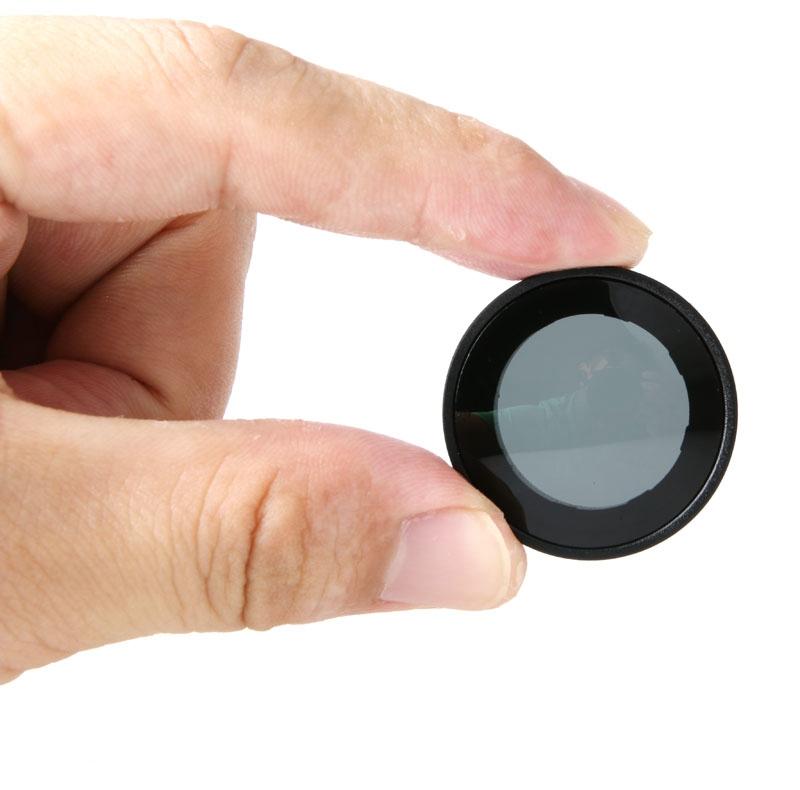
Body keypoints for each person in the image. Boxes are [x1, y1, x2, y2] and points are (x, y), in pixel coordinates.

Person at [0, 16, 650, 683]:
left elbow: (549, 421)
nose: (599, 378)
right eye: (596, 371)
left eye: (607, 374)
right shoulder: (582, 417)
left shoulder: (609, 415)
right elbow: (533, 422)